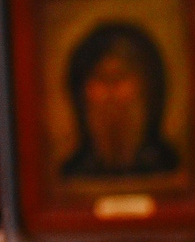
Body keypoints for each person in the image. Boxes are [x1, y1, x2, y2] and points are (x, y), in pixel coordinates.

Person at [58, 21, 179, 179]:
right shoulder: (75, 171)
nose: (110, 93)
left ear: (146, 89)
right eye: (101, 78)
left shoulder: (166, 166)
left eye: (120, 77)